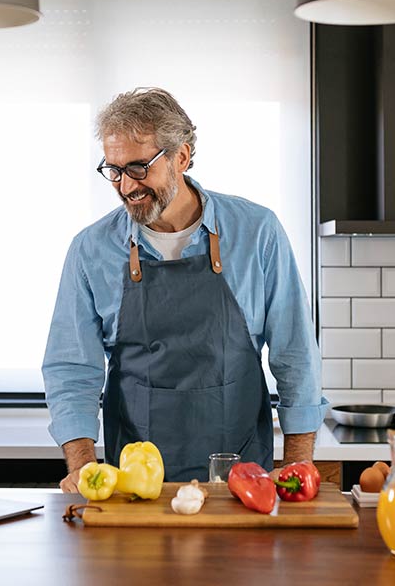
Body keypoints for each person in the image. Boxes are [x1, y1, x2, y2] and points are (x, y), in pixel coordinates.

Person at [42, 87, 327, 492]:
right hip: (134, 484)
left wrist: (298, 464)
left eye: (139, 167)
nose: (126, 186)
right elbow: (71, 370)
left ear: (182, 156)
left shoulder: (257, 232)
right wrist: (83, 466)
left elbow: (295, 353)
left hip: (240, 481)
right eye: (114, 170)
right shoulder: (91, 249)